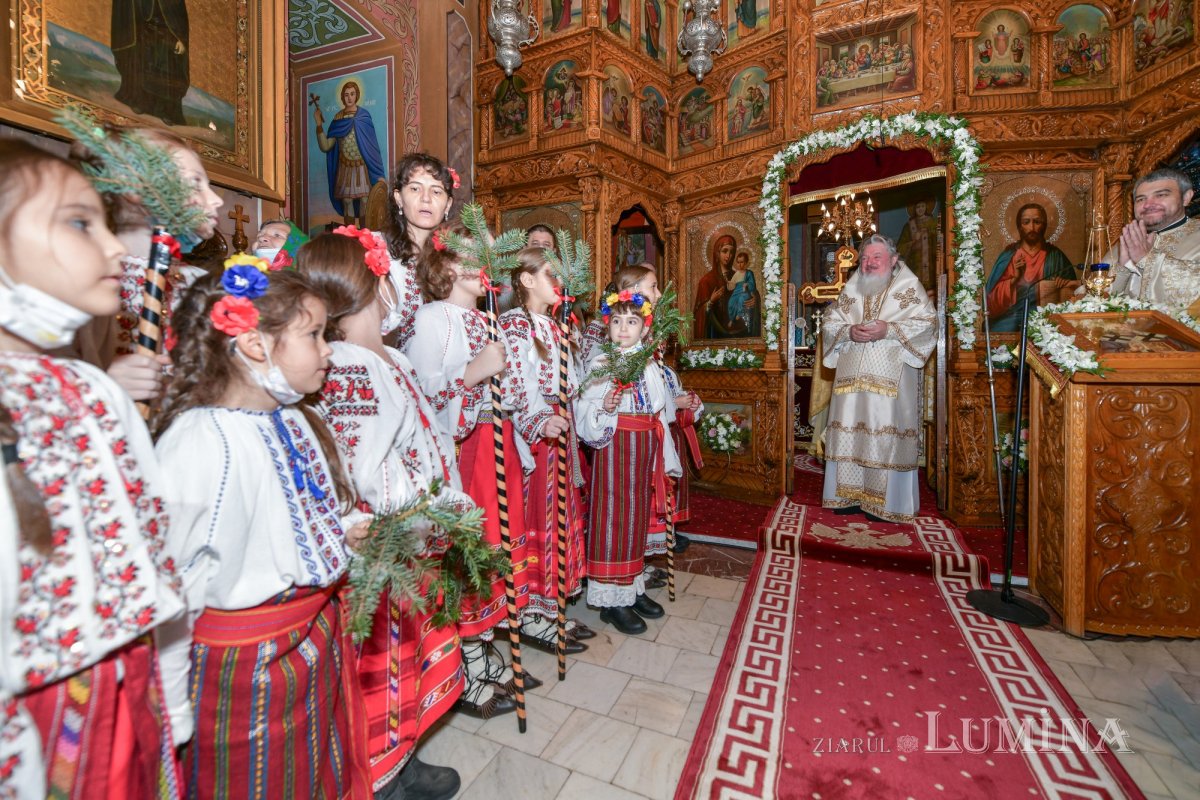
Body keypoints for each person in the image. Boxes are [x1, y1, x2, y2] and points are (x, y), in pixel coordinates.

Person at [0, 140, 186, 796]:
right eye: (80, 223)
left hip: (125, 691)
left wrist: (172, 699)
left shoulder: (92, 388)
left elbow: (149, 547)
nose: (113, 250)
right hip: (34, 726)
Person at [153, 267, 372, 798]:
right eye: (314, 335)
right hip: (244, 671)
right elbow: (170, 588)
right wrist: (173, 710)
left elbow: (295, 514)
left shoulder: (294, 418)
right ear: (254, 343)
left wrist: (344, 533)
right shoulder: (200, 443)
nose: (328, 350)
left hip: (308, 641)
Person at [296, 230, 466, 800]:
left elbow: (419, 437)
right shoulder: (349, 364)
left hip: (408, 537)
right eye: (391, 272)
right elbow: (369, 471)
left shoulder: (386, 357)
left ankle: (402, 755)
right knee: (378, 665)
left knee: (402, 661)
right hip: (383, 545)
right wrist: (437, 505)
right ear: (374, 285)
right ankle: (379, 775)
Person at [404, 223, 535, 719]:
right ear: (449, 266)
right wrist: (475, 372)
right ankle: (467, 669)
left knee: (494, 552)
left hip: (496, 444)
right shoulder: (433, 318)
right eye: (476, 258)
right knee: (470, 555)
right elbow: (421, 391)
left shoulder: (487, 318)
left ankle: (485, 654)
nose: (487, 271)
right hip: (464, 452)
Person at [70, 125, 224, 402]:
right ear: (136, 190)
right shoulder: (91, 280)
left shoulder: (199, 281)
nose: (216, 200)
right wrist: (106, 383)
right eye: (195, 183)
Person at [499, 248, 595, 655]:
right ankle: (533, 613)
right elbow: (514, 387)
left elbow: (570, 382)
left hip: (559, 435)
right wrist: (539, 420)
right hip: (535, 441)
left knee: (560, 516)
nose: (558, 281)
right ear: (526, 280)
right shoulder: (516, 326)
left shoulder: (555, 326)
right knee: (537, 519)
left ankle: (551, 605)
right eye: (550, 274)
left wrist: (571, 349)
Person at [576, 290, 681, 634]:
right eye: (617, 321)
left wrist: (664, 455)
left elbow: (658, 411)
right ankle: (610, 601)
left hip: (644, 447)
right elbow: (584, 411)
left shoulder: (649, 363)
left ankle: (631, 587)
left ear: (644, 328)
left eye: (632, 322)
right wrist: (605, 407)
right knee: (613, 519)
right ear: (608, 326)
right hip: (615, 448)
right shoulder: (602, 364)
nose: (623, 328)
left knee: (636, 518)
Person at [821, 235, 937, 524]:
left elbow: (928, 324)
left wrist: (890, 330)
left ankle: (887, 504)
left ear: (893, 260)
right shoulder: (852, 289)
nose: (869, 263)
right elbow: (830, 321)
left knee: (884, 435)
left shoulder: (908, 288)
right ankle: (847, 497)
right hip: (850, 382)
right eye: (865, 258)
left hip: (891, 382)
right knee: (849, 433)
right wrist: (848, 332)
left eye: (876, 257)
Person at [381, 153, 457, 348]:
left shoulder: (455, 262)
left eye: (437, 191)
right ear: (398, 198)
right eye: (415, 189)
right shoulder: (376, 249)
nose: (426, 199)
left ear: (447, 204)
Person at [1108, 168, 1200, 310]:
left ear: (1186, 198)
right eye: (1141, 199)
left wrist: (1148, 259)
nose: (1148, 205)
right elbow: (1088, 303)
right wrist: (1123, 268)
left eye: (1161, 195)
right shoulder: (1126, 242)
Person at [985, 202, 1076, 332]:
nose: (1032, 227)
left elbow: (1074, 295)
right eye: (1026, 222)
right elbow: (991, 301)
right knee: (994, 328)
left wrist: (1067, 284)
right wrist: (1014, 279)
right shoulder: (1009, 256)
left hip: (1046, 317)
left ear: (1044, 226)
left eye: (1037, 222)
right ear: (1019, 226)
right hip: (1012, 316)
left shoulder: (1056, 257)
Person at [315, 80, 387, 225]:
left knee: (365, 200)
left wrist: (379, 174)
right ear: (342, 97)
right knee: (347, 202)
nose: (349, 98)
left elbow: (372, 147)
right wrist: (319, 125)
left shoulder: (364, 117)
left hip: (361, 166)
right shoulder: (338, 119)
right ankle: (349, 237)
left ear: (357, 95)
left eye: (352, 94)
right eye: (346, 95)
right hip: (344, 167)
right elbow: (326, 146)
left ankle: (365, 236)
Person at [111, 0, 190, 125]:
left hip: (166, 34)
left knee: (167, 72)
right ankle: (139, 102)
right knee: (141, 66)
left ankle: (166, 111)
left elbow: (178, 14)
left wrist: (181, 38)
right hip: (143, 31)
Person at [895, 199, 939, 288]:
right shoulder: (909, 226)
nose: (920, 209)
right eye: (918, 207)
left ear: (927, 207)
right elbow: (900, 247)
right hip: (915, 266)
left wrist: (930, 234)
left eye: (922, 206)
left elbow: (940, 241)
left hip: (931, 266)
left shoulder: (934, 222)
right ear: (914, 209)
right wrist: (913, 242)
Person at [726, 250, 760, 335]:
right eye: (738, 262)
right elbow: (732, 285)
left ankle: (739, 313)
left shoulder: (749, 273)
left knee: (742, 298)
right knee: (731, 303)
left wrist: (747, 284)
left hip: (745, 292)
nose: (740, 265)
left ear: (746, 263)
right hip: (736, 292)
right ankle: (731, 319)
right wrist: (729, 284)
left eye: (742, 262)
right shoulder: (736, 274)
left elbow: (753, 285)